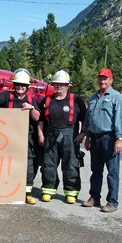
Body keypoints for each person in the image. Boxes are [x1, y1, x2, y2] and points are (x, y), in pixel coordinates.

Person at [0, 69, 41, 204]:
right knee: (4, 164)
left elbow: (37, 117)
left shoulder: (31, 99)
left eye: (23, 85)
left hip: (26, 138)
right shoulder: (7, 95)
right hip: (7, 138)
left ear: (27, 87)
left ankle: (26, 193)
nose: (20, 87)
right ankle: (3, 191)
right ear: (14, 85)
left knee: (28, 165)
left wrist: (31, 108)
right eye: (18, 84)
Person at [37, 70, 86, 204]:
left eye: (62, 84)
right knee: (48, 165)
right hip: (51, 137)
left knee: (70, 165)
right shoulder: (47, 100)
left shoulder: (76, 100)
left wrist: (83, 133)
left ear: (67, 85)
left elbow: (85, 119)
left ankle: (71, 192)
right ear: (53, 84)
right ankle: (48, 189)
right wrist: (40, 134)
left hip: (70, 138)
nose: (59, 86)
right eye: (57, 84)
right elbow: (40, 120)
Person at [83, 68, 122, 212]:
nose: (102, 81)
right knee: (96, 170)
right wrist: (88, 136)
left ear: (111, 80)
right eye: (100, 78)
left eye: (105, 79)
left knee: (112, 172)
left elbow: (120, 119)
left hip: (109, 138)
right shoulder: (93, 97)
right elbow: (89, 119)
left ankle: (112, 202)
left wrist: (119, 138)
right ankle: (94, 197)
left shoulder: (117, 97)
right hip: (95, 139)